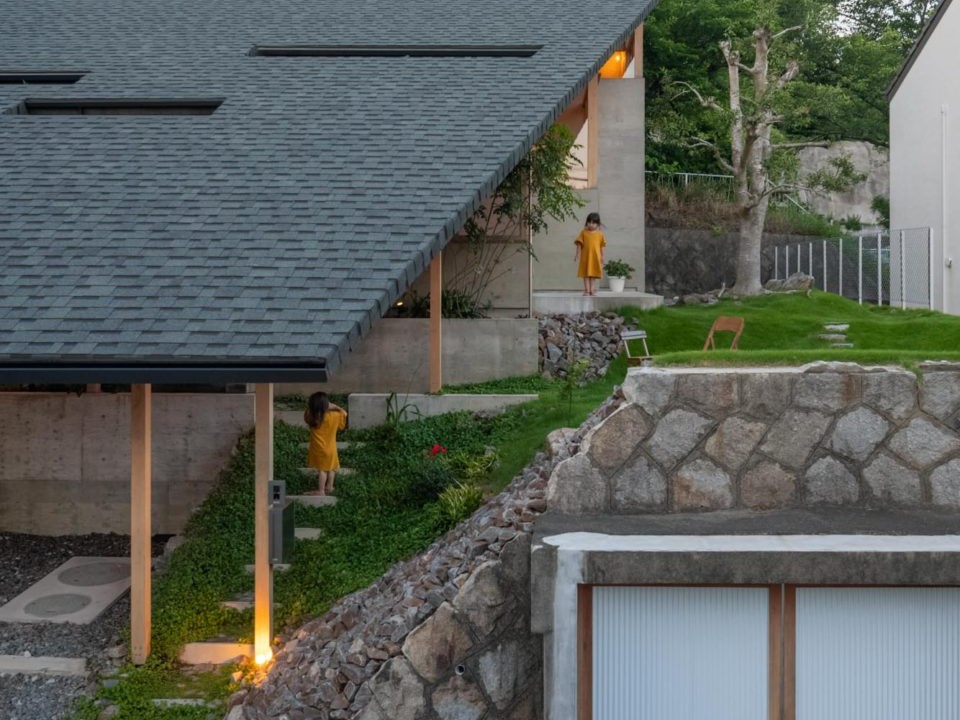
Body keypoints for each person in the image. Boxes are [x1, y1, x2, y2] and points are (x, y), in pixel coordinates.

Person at [303, 391, 347, 496]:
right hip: (331, 448)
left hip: (319, 449)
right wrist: (335, 407)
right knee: (331, 468)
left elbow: (307, 413)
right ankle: (329, 487)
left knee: (322, 470)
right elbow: (344, 414)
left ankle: (321, 490)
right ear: (327, 405)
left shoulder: (312, 417)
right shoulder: (335, 416)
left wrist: (318, 408)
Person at [574, 211, 606, 296]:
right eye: (589, 222)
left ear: (597, 224)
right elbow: (579, 243)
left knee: (593, 275)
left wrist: (602, 256)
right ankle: (587, 290)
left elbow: (602, 246)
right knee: (586, 274)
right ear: (587, 222)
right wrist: (577, 254)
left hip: (595, 258)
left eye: (593, 223)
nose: (591, 224)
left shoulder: (600, 235)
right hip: (586, 258)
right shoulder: (583, 232)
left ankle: (592, 290)